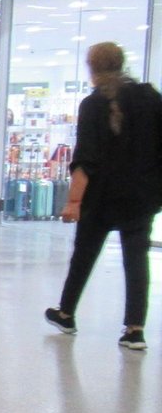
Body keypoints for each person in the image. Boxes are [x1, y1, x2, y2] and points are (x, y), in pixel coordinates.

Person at [45, 42, 162, 350]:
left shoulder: (93, 105)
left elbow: (86, 158)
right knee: (137, 260)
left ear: (92, 68)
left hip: (101, 197)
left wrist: (73, 201)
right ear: (122, 64)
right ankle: (135, 329)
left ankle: (66, 313)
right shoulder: (151, 98)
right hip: (142, 195)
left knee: (84, 254)